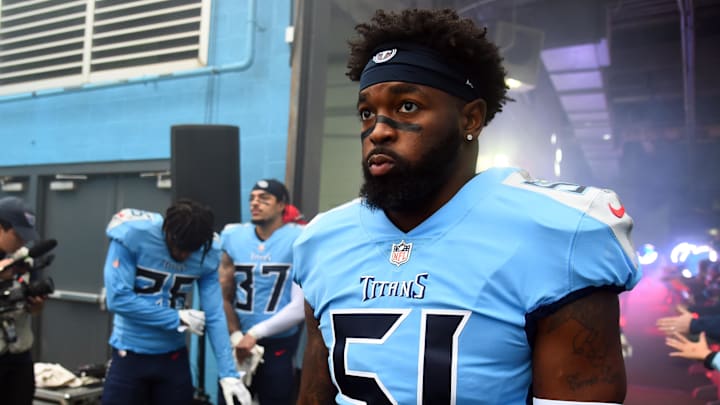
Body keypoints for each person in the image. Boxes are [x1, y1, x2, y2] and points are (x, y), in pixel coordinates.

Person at [292, 8, 641, 405]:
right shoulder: (325, 240)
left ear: (471, 118)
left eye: (407, 106)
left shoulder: (555, 235)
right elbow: (314, 395)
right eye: (367, 112)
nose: (379, 130)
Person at [102, 199, 250, 405]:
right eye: (179, 246)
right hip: (130, 355)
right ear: (167, 231)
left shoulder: (208, 251)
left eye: (191, 249)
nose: (183, 255)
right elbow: (118, 299)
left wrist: (229, 373)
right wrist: (176, 318)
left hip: (173, 358)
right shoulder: (136, 232)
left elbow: (215, 314)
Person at [219, 179, 305, 404]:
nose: (255, 204)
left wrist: (255, 333)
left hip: (278, 342)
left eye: (264, 199)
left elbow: (300, 306)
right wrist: (236, 335)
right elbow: (222, 295)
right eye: (252, 199)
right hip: (238, 343)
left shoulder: (298, 238)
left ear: (281, 205)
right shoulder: (234, 236)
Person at [0, 197, 45, 405]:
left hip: (19, 356)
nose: (23, 242)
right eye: (18, 235)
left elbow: (34, 310)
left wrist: (36, 305)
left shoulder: (24, 260)